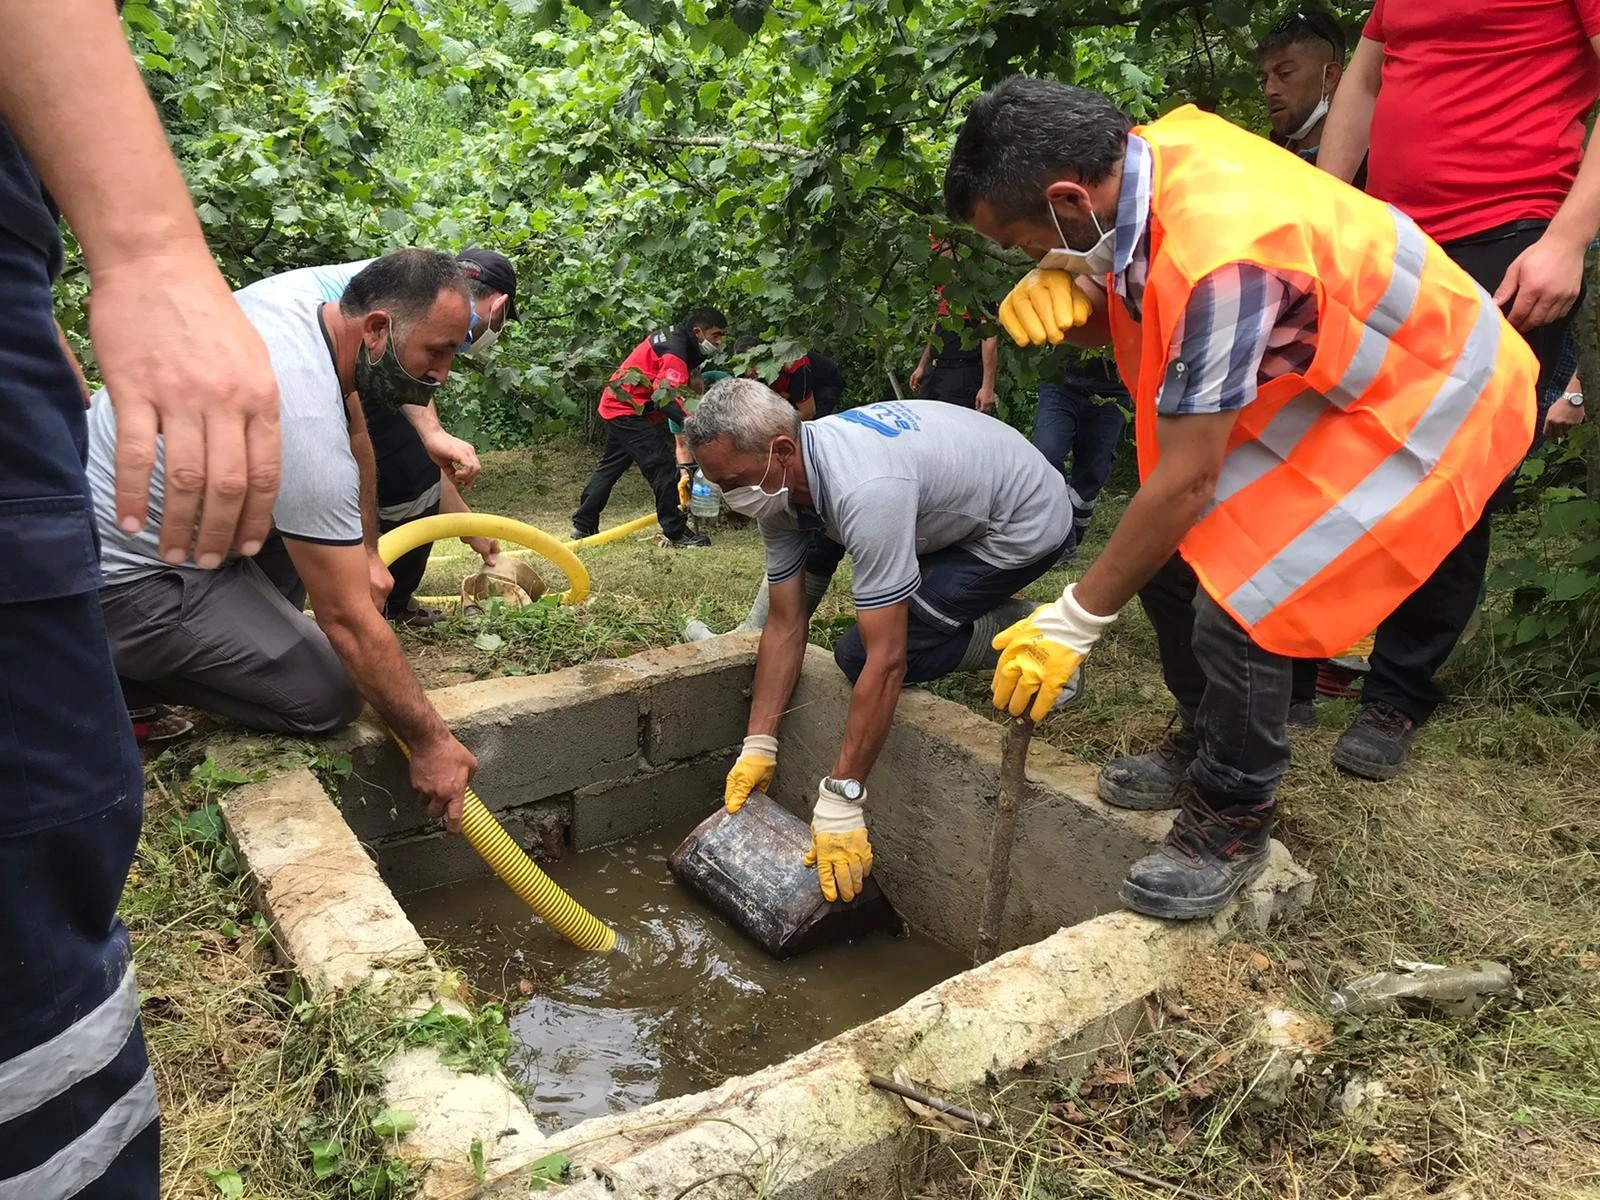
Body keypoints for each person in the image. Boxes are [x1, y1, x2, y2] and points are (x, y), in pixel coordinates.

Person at [946, 77, 1535, 918]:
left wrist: (1075, 617)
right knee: (1167, 560)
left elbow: (1189, 479)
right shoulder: (1152, 156)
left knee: (1246, 593)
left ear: (1071, 199)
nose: (1030, 259)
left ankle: (1232, 811)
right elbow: (1152, 309)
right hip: (1334, 386)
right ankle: (1203, 735)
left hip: (1433, 400)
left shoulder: (1222, 254)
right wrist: (1078, 290)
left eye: (1025, 242)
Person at [0, 1, 285, 1193]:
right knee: (35, 854)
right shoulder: (294, 379)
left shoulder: (343, 354)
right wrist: (151, 244)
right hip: (138, 577)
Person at [90, 250, 479, 821]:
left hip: (151, 520)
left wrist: (369, 552)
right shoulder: (300, 417)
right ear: (377, 329)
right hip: (127, 577)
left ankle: (219, 641)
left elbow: (357, 432)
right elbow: (346, 620)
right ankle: (116, 675)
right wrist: (431, 742)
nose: (441, 374)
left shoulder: (312, 303)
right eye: (436, 352)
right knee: (332, 693)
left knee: (313, 544)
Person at [1317, 0, 1600, 780]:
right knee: (1337, 446)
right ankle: (1297, 659)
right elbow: (1366, 83)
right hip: (1389, 238)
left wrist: (1568, 239)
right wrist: (1321, 214)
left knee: (1453, 474)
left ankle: (1397, 692)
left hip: (1512, 239)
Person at [691, 380, 1072, 903]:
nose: (730, 498)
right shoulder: (779, 484)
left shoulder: (865, 490)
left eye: (732, 482)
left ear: (781, 450)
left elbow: (886, 661)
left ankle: (1037, 633)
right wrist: (759, 743)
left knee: (860, 654)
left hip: (1021, 522)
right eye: (717, 483)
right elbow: (784, 621)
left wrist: (842, 797)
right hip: (950, 500)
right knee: (851, 591)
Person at [244, 248, 518, 624]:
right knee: (396, 481)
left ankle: (281, 615)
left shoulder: (404, 302)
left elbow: (368, 435)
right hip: (266, 369)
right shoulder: (383, 311)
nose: (442, 375)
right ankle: (381, 601)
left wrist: (465, 525)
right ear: (499, 305)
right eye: (439, 352)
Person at [572, 308, 727, 548]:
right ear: (698, 332)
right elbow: (664, 395)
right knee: (662, 466)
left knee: (610, 467)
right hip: (626, 410)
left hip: (619, 404)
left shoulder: (679, 339)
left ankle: (583, 525)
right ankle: (676, 532)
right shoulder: (676, 349)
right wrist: (693, 426)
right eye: (715, 335)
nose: (719, 342)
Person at [1031, 355, 1129, 565]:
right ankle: (1061, 543)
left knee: (1093, 472)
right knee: (1047, 454)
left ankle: (1070, 536)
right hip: (1062, 383)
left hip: (1112, 390)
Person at [1257, 8, 1365, 185]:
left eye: (1284, 73)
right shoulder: (1261, 162)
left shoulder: (1370, 171)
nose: (1269, 91)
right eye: (1264, 79)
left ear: (1329, 77)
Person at [909, 242, 1000, 411]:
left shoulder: (978, 285)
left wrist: (987, 387)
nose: (936, 255)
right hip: (935, 371)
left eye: (939, 250)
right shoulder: (944, 284)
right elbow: (938, 326)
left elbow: (989, 337)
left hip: (961, 373)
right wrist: (922, 366)